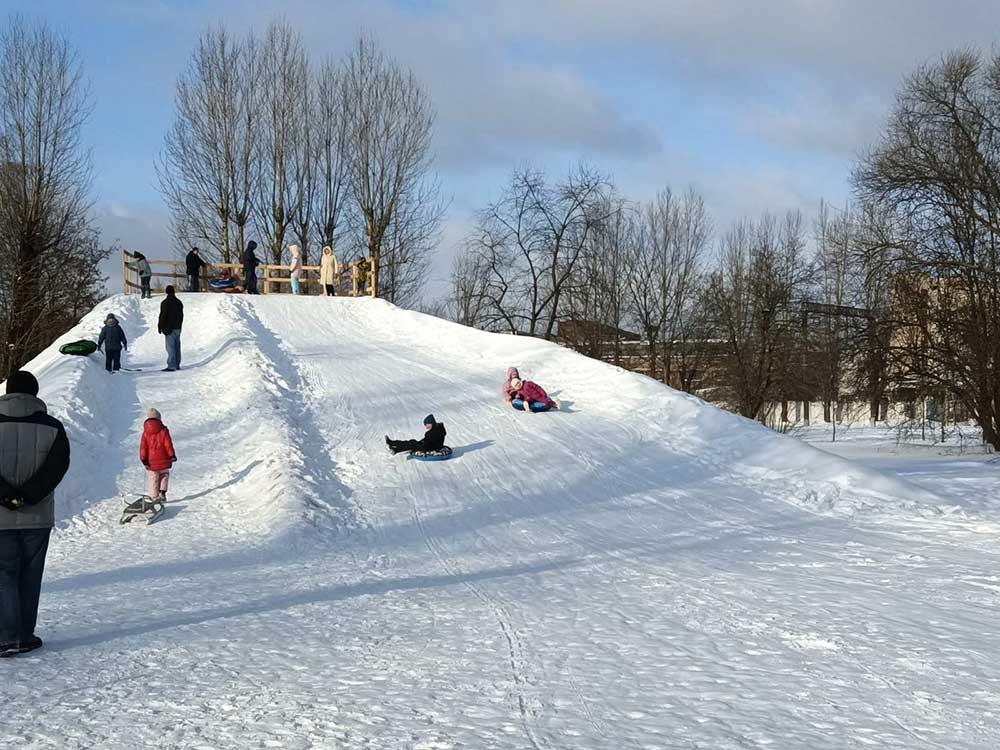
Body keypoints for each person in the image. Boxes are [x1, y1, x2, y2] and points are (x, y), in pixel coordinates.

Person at [0, 370, 71, 658]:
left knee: (3, 575)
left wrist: (7, 496)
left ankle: (6, 637)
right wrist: (27, 496)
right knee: (30, 576)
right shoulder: (53, 426)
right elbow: (57, 466)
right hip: (38, 516)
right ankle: (24, 635)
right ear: (35, 393)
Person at [140, 408, 176, 503]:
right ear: (159, 419)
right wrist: (172, 455)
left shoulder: (145, 433)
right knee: (164, 474)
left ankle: (153, 498)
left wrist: (144, 459)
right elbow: (168, 444)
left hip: (151, 462)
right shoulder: (164, 430)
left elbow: (143, 447)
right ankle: (162, 492)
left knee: (153, 479)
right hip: (164, 460)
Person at [158, 285, 184, 371]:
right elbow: (181, 316)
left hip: (169, 328)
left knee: (170, 347)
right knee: (177, 347)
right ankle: (177, 364)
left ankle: (171, 365)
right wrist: (180, 325)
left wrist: (160, 326)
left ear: (166, 292)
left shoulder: (165, 303)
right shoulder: (179, 302)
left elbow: (163, 316)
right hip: (177, 328)